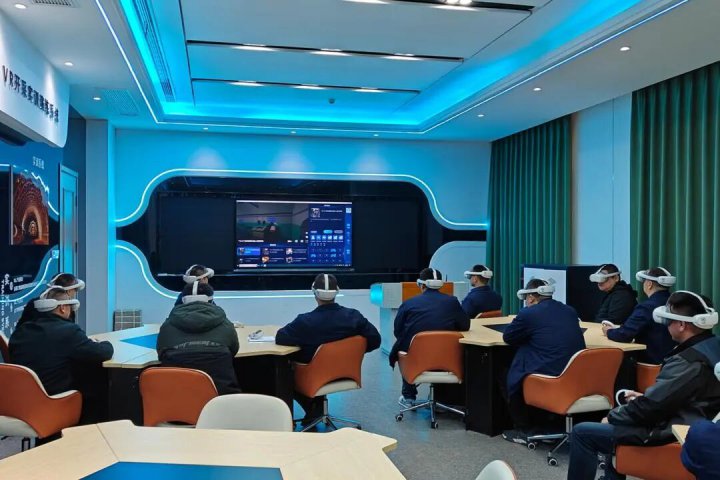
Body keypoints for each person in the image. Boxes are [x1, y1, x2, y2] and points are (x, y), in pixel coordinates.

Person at [567, 291, 720, 480]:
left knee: (583, 432)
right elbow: (683, 394)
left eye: (668, 320)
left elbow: (649, 408)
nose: (666, 325)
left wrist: (613, 416)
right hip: (694, 420)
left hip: (672, 429)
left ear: (682, 325)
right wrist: (645, 398)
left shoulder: (687, 362)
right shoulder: (712, 345)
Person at [275, 273, 381, 423]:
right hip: (346, 373)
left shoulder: (305, 322)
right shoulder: (354, 317)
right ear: (336, 292)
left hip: (313, 375)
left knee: (281, 370)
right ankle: (315, 407)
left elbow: (281, 338)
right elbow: (375, 340)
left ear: (314, 292)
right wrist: (353, 352)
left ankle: (311, 407)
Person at [9, 286, 114, 423]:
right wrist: (106, 343)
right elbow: (103, 353)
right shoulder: (68, 331)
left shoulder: (20, 332)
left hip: (19, 405)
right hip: (53, 402)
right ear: (63, 308)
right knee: (97, 380)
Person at [502, 278, 586, 444]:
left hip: (550, 374)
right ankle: (549, 425)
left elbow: (508, 337)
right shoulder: (569, 310)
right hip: (574, 374)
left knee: (507, 372)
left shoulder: (528, 314)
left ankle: (524, 429)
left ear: (531, 297)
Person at [390, 267, 470, 406]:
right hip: (447, 357)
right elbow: (465, 325)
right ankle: (445, 399)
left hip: (416, 358)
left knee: (403, 347)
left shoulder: (408, 304)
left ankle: (409, 397)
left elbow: (398, 331)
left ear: (421, 285)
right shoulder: (452, 302)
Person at [157, 281, 240, 394]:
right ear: (211, 300)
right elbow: (233, 350)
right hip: (220, 396)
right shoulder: (226, 324)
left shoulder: (167, 326)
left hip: (176, 396)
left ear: (182, 300)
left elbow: (161, 354)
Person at [603, 267, 676, 364]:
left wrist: (609, 331)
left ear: (649, 284)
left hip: (651, 361)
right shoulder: (675, 303)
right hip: (672, 361)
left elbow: (624, 335)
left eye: (644, 281)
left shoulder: (646, 307)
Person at [16, 273, 86, 327]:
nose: (75, 293)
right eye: (75, 290)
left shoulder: (33, 303)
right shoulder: (67, 309)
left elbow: (20, 327)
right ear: (69, 291)